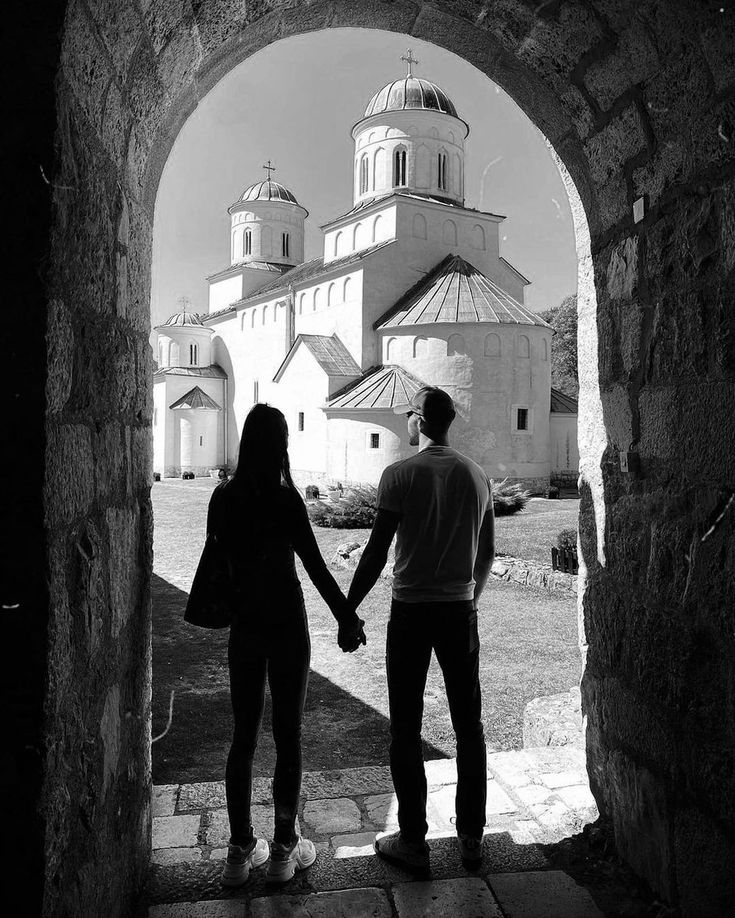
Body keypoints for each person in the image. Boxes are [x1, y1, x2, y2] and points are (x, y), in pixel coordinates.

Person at [207, 404, 365, 887]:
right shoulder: (285, 500)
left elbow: (217, 562)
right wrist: (347, 619)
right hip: (286, 626)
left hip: (247, 627)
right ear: (281, 445)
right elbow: (316, 567)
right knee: (288, 735)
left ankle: (238, 850)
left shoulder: (223, 498)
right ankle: (282, 848)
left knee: (243, 736)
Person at [340, 386, 495, 872]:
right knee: (469, 725)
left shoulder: (400, 475)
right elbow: (486, 552)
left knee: (405, 728)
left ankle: (413, 839)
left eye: (410, 414)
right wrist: (470, 596)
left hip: (410, 612)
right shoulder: (476, 476)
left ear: (421, 422)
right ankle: (471, 837)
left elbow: (377, 551)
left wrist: (348, 609)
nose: (408, 421)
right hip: (457, 610)